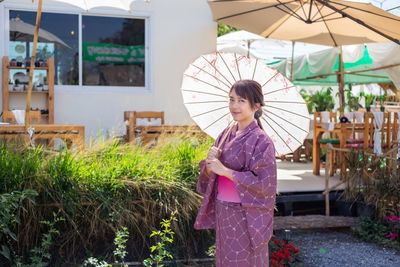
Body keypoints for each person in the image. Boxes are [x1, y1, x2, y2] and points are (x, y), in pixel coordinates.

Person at [194, 80, 277, 267]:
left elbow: (264, 184)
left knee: (244, 261)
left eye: (241, 101)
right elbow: (210, 174)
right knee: (225, 260)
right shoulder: (226, 133)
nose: (234, 106)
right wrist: (209, 164)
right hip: (224, 210)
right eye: (231, 100)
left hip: (245, 214)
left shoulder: (262, 141)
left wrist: (224, 170)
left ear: (256, 106)